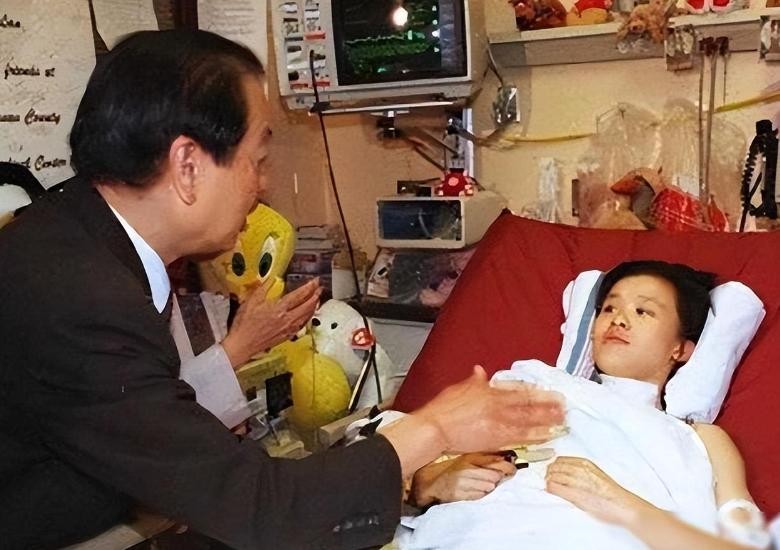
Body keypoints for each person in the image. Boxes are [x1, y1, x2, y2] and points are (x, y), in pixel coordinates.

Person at [0, 30, 565, 550]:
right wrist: (435, 427)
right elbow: (261, 508)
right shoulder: (78, 297)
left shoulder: (74, 236)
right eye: (258, 161)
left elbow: (147, 423)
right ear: (188, 166)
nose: (263, 186)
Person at [400, 261, 766, 549]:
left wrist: (622, 506)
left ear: (681, 349)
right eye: (608, 308)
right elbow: (405, 469)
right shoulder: (533, 386)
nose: (618, 319)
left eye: (643, 311)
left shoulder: (700, 438)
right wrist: (433, 482)